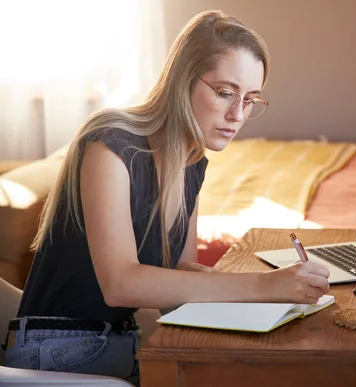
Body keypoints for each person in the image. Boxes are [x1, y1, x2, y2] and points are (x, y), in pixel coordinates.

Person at [1, 10, 330, 386]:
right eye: (225, 93)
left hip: (116, 341)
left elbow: (179, 276)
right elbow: (121, 283)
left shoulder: (191, 162)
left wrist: (268, 294)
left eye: (251, 99)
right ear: (183, 81)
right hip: (58, 351)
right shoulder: (110, 143)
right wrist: (264, 286)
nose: (238, 114)